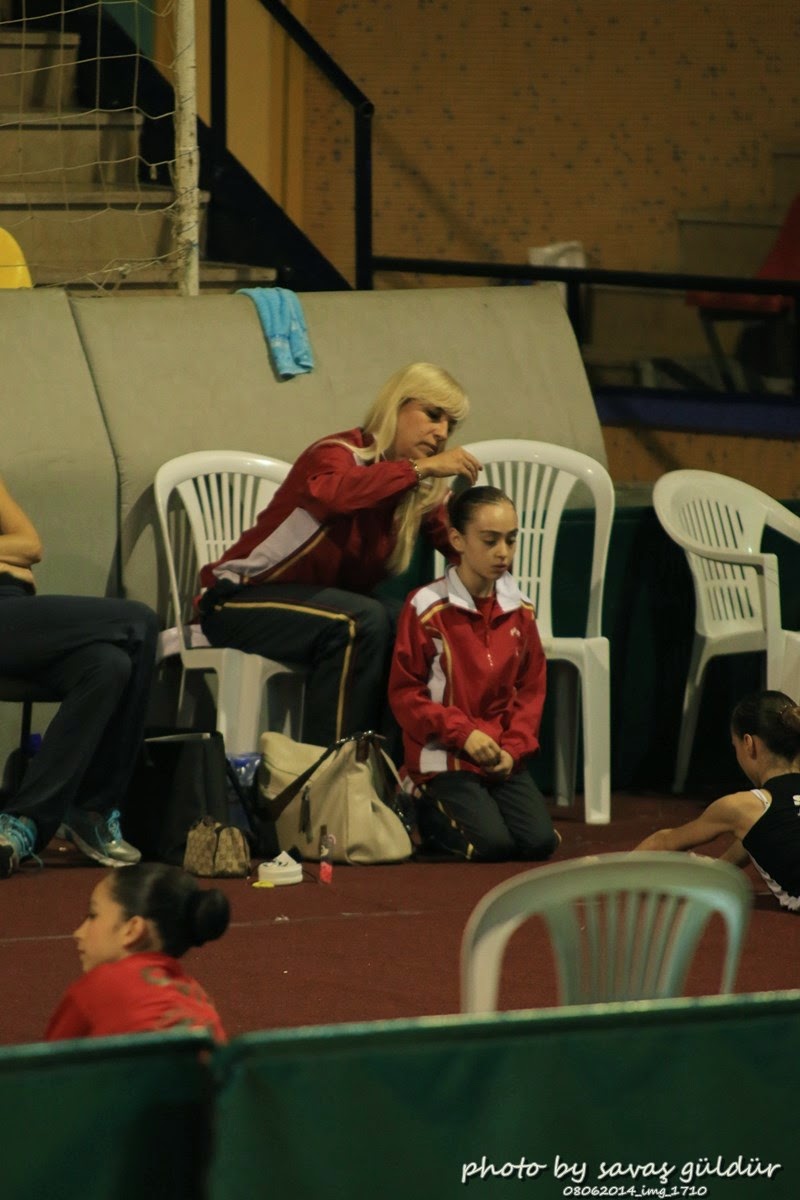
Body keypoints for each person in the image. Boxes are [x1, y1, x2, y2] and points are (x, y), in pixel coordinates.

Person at [198, 362, 480, 747]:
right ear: (397, 405)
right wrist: (419, 469)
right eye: (433, 415)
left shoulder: (415, 489)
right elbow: (333, 496)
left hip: (317, 607)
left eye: (450, 425)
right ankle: (333, 768)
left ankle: (390, 766)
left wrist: (486, 537)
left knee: (412, 623)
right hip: (235, 600)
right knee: (360, 621)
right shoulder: (338, 453)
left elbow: (461, 546)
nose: (442, 433)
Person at [388, 485, 559, 861]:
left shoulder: (521, 610)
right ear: (457, 540)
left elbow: (531, 690)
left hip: (498, 755)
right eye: (490, 540)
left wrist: (514, 749)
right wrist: (463, 733)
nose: (503, 553)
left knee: (539, 843)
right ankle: (414, 792)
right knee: (492, 847)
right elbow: (405, 694)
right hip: (443, 755)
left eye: (511, 540)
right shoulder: (426, 607)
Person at [0, 476, 159, 879]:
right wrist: (8, 555)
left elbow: (30, 545)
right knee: (139, 621)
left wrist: (13, 557)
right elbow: (17, 549)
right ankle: (95, 808)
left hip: (16, 615)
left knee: (108, 665)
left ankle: (25, 821)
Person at [635, 689, 800, 911]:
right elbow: (765, 835)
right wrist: (719, 869)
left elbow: (664, 842)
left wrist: (610, 871)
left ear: (749, 744)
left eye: (735, 747)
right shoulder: (760, 819)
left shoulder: (742, 807)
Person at [45, 863, 229, 1041]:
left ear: (132, 930)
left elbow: (49, 1060)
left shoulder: (99, 986)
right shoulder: (199, 998)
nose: (78, 933)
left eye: (93, 915)